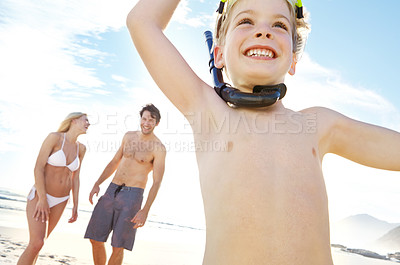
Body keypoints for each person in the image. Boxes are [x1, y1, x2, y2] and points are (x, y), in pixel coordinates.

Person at [127, 0, 400, 264]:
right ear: (218, 55)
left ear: (293, 60)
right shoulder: (209, 113)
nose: (263, 31)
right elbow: (142, 22)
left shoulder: (318, 124)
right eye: (246, 21)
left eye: (280, 25)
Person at [84, 103, 166, 265]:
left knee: (118, 245)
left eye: (151, 120)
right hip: (112, 190)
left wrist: (145, 210)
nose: (146, 123)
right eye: (144, 119)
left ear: (157, 123)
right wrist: (97, 183)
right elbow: (115, 161)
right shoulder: (128, 136)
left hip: (133, 195)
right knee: (95, 237)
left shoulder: (159, 148)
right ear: (140, 119)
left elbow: (157, 182)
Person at [17, 112, 89, 265]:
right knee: (36, 243)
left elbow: (75, 178)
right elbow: (38, 168)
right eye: (86, 120)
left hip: (61, 200)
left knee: (39, 245)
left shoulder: (81, 149)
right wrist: (42, 199)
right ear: (74, 121)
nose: (88, 123)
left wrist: (76, 204)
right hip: (41, 195)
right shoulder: (55, 138)